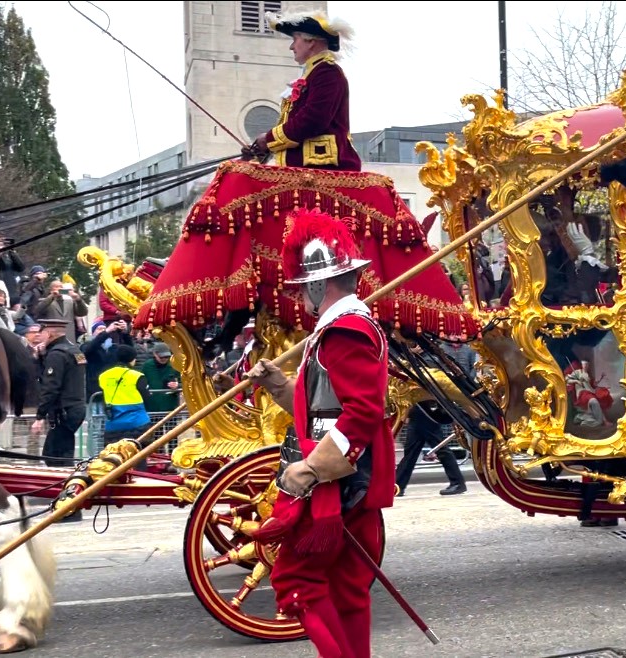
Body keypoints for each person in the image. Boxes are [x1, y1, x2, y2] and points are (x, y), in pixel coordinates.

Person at [244, 208, 393, 658]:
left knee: (296, 582)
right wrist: (278, 385)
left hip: (335, 480)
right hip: (347, 475)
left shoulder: (344, 331)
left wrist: (311, 469)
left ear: (316, 285)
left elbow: (361, 412)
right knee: (348, 589)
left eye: (302, 287)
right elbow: (319, 406)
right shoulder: (337, 330)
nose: (300, 297)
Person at [244, 10, 361, 171]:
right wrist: (262, 151)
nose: (291, 47)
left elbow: (312, 121)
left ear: (310, 41)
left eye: (294, 39)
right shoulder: (314, 72)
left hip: (321, 168)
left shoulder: (327, 72)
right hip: (305, 168)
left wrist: (268, 139)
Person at [32, 318, 87, 508]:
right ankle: (67, 497)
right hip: (76, 407)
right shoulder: (74, 350)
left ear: (49, 333)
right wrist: (41, 357)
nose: (39, 336)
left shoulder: (56, 354)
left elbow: (50, 386)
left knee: (54, 456)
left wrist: (40, 416)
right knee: (62, 453)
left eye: (41, 332)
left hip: (63, 410)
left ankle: (66, 499)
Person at [394, 401, 467, 496]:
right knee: (411, 453)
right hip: (419, 410)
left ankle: (458, 482)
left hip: (424, 411)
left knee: (440, 448)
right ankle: (398, 486)